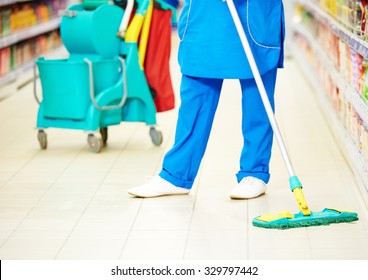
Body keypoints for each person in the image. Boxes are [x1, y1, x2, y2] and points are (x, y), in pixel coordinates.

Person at [128, 0, 285, 199]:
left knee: (257, 96)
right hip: (205, 13)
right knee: (195, 96)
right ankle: (177, 175)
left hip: (251, 13)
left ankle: (255, 173)